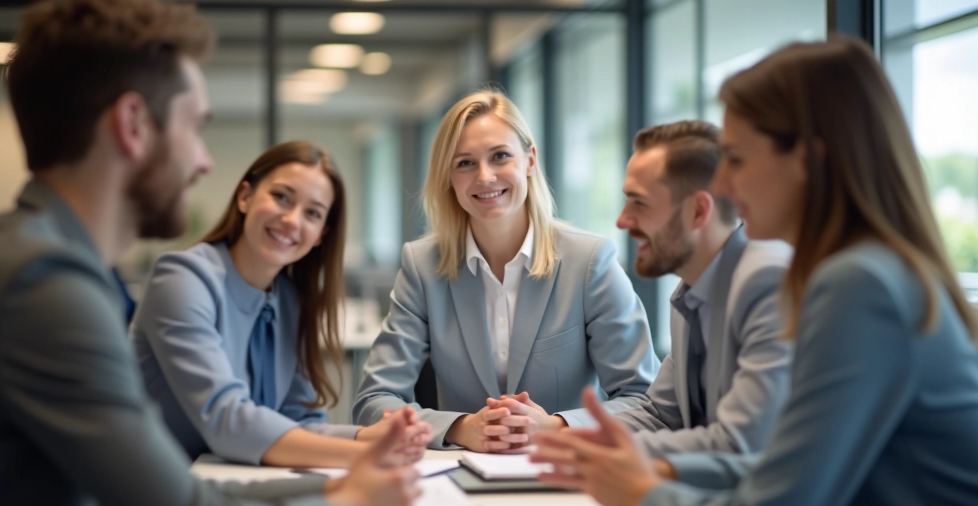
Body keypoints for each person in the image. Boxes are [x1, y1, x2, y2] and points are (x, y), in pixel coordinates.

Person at [0, 1, 418, 506]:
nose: (203, 163)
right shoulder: (45, 288)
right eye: (196, 127)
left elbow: (173, 497)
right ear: (132, 125)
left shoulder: (38, 259)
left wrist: (331, 494)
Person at [531, 37, 978, 506]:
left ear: (810, 158)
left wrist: (642, 494)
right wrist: (655, 475)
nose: (720, 183)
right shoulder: (866, 272)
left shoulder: (859, 287)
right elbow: (775, 469)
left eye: (737, 159)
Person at [353, 90, 660, 452]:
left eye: (500, 156)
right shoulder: (422, 266)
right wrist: (459, 427)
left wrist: (558, 426)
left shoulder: (590, 261)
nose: (484, 177)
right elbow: (374, 400)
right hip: (462, 477)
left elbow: (645, 401)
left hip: (567, 471)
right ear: (448, 176)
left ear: (530, 160)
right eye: (464, 163)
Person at [131, 141, 431, 468]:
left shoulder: (289, 300)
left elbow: (298, 421)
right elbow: (226, 420)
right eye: (281, 197)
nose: (292, 220)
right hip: (161, 494)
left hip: (232, 488)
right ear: (245, 197)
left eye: (312, 213)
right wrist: (366, 454)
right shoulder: (183, 280)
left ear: (320, 235)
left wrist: (368, 436)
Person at [607, 120, 792, 457]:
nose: (622, 220)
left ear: (698, 211)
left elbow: (742, 443)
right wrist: (558, 431)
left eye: (640, 203)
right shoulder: (690, 291)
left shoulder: (768, 281)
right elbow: (660, 415)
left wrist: (606, 453)